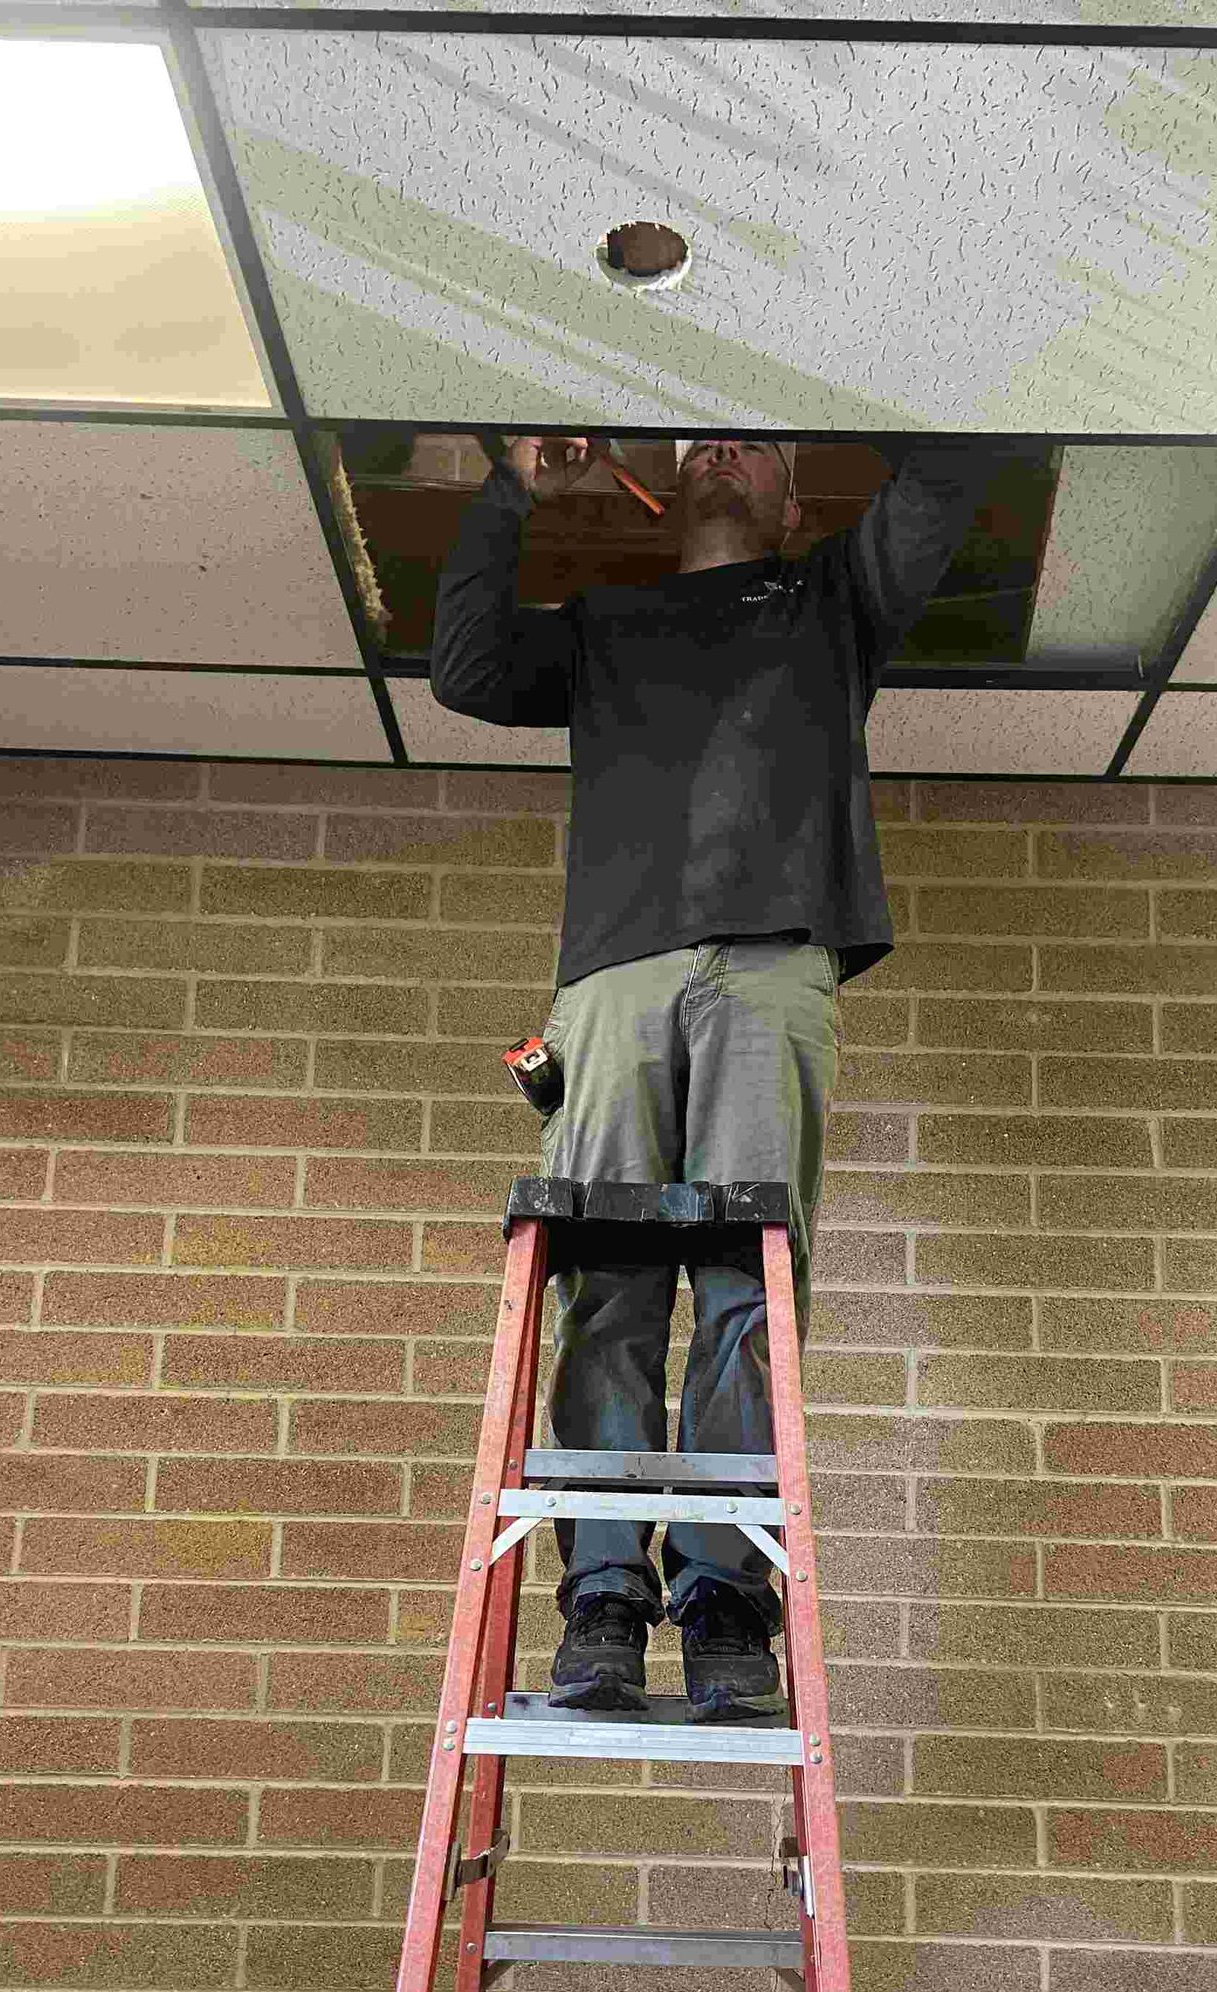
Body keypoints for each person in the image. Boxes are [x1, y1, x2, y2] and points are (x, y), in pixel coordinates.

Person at [431, 429, 994, 1720]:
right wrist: (515, 483)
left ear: (797, 495)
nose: (725, 449)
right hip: (615, 974)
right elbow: (464, 668)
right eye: (700, 441)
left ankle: (729, 1598)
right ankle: (609, 1599)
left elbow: (952, 474)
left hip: (776, 963)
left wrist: (820, 338)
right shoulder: (609, 622)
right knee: (609, 1285)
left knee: (750, 1289)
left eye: (758, 444)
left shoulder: (833, 602)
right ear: (666, 483)